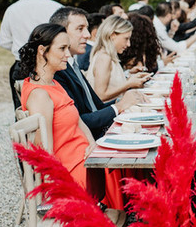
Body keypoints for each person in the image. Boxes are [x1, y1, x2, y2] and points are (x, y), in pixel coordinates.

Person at [18, 24, 93, 192]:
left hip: (85, 159)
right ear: (42, 51)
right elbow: (44, 152)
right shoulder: (40, 95)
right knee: (124, 174)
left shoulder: (54, 84)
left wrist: (93, 145)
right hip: (72, 171)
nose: (68, 54)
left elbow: (78, 121)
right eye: (62, 48)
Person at [49, 7, 145, 139]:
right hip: (89, 141)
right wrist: (120, 105)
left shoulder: (72, 65)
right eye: (80, 28)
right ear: (61, 33)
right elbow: (79, 121)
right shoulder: (57, 72)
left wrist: (126, 99)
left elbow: (96, 105)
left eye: (87, 28)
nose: (88, 35)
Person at [0, 0, 63, 108]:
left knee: (23, 111)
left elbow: (3, 41)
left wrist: (23, 49)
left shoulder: (12, 9)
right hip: (50, 67)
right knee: (55, 110)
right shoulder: (58, 10)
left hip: (21, 66)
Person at [87, 15, 150, 102]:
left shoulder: (107, 55)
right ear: (113, 35)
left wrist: (130, 77)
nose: (129, 44)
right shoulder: (104, 58)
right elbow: (100, 95)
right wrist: (129, 84)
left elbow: (111, 84)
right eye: (126, 39)